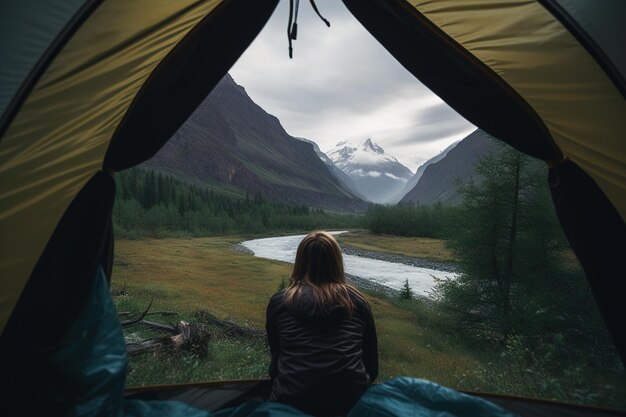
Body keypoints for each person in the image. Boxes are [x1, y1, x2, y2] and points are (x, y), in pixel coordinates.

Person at [266, 231, 378, 417]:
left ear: (299, 262)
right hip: (351, 406)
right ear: (337, 261)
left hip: (289, 405)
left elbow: (276, 365)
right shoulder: (357, 302)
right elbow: (371, 369)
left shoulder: (280, 302)